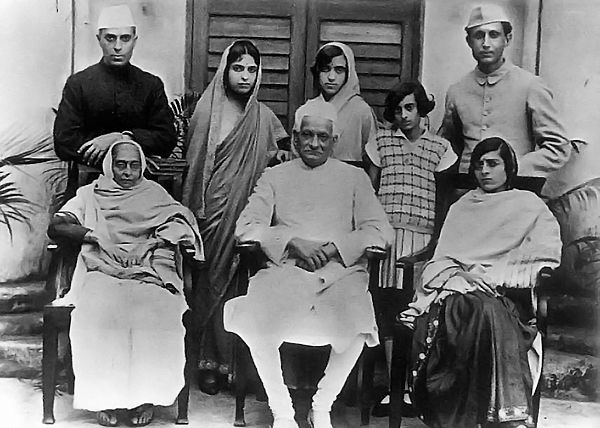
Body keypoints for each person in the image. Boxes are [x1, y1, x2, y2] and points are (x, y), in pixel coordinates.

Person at [223, 99, 393, 428]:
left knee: (359, 318)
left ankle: (322, 404)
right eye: (307, 135)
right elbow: (245, 228)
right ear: (296, 137)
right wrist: (290, 241)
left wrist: (336, 248)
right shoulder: (274, 176)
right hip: (287, 270)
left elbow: (380, 231)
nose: (314, 143)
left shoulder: (355, 178)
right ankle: (282, 411)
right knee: (256, 314)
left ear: (334, 140)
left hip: (339, 273)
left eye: (322, 137)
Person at [398, 137, 562, 428]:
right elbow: (441, 259)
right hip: (457, 292)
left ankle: (490, 415)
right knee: (480, 308)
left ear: (508, 168)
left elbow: (544, 254)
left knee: (490, 309)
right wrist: (464, 276)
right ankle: (508, 416)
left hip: (508, 295)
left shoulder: (528, 205)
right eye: (478, 165)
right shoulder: (462, 206)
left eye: (492, 164)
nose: (484, 171)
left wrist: (495, 277)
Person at [48, 141, 203, 427]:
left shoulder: (154, 193)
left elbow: (181, 221)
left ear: (142, 165)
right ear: (110, 165)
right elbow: (57, 225)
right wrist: (95, 236)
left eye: (134, 165)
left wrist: (154, 243)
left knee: (156, 312)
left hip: (149, 270)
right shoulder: (92, 194)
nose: (128, 171)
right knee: (98, 311)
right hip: (102, 269)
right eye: (121, 164)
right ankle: (104, 399)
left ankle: (146, 398)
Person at [182, 39, 288, 393]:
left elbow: (280, 158)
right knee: (211, 286)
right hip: (212, 214)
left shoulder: (265, 118)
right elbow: (196, 168)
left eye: (252, 69)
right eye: (238, 67)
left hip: (251, 217)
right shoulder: (206, 112)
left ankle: (245, 369)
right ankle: (209, 365)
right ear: (225, 70)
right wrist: (197, 211)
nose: (245, 76)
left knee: (248, 288)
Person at [365, 80, 457, 415]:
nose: (404, 116)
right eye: (398, 109)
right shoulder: (381, 142)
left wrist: (436, 246)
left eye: (410, 108)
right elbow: (368, 191)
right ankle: (394, 387)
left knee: (416, 311)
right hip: (386, 239)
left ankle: (415, 390)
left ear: (421, 109)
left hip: (422, 243)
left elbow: (445, 203)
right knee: (387, 310)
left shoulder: (440, 149)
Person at [439, 4, 570, 180]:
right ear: (469, 41)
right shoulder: (457, 90)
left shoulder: (530, 85)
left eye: (493, 35)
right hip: (467, 190)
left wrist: (515, 167)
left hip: (515, 189)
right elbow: (448, 144)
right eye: (479, 36)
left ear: (507, 39)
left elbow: (558, 146)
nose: (486, 44)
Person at [53, 4, 176, 169]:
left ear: (134, 40)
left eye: (125, 38)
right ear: (99, 40)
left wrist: (121, 138)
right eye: (110, 38)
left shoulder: (151, 85)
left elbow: (166, 138)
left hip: (140, 182)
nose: (118, 46)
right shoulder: (79, 84)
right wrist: (112, 145)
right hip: (90, 181)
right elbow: (64, 142)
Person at [307, 42, 378, 167]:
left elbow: (374, 159)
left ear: (348, 73)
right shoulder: (308, 109)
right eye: (325, 69)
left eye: (339, 70)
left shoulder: (361, 111)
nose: (331, 77)